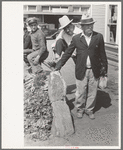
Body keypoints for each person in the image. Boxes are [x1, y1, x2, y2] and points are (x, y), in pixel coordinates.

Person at [54, 14, 108, 119]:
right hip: (81, 69)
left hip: (94, 70)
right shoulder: (76, 38)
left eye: (91, 25)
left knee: (92, 91)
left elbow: (103, 55)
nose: (90, 27)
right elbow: (68, 53)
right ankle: (80, 109)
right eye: (87, 26)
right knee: (81, 91)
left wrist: (104, 71)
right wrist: (58, 65)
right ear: (82, 27)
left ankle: (89, 110)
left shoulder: (98, 37)